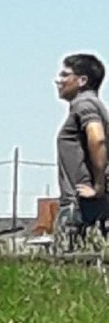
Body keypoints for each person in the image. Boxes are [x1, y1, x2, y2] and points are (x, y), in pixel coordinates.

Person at [54, 53, 109, 233]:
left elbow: (97, 138)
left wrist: (99, 187)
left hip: (81, 206)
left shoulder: (85, 105)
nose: (58, 80)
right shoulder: (91, 105)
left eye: (65, 75)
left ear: (82, 80)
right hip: (86, 205)